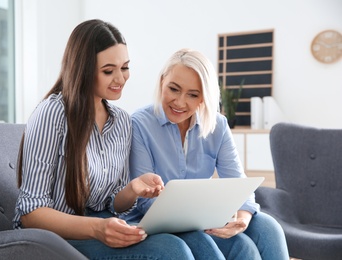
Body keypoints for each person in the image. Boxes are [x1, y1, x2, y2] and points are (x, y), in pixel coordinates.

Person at [13, 19, 196, 259]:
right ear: (83, 69)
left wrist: (133, 189)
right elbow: (30, 212)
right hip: (55, 237)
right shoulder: (53, 113)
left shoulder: (121, 120)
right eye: (109, 71)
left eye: (125, 67)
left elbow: (111, 203)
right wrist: (97, 228)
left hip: (100, 226)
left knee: (189, 242)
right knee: (172, 251)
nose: (120, 79)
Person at [123, 48, 290, 260]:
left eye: (193, 95)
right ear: (162, 81)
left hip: (204, 216)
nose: (180, 102)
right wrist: (201, 218)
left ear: (204, 97)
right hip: (155, 221)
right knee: (243, 247)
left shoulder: (217, 125)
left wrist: (243, 219)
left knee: (268, 228)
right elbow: (144, 200)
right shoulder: (139, 123)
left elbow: (238, 181)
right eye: (174, 89)